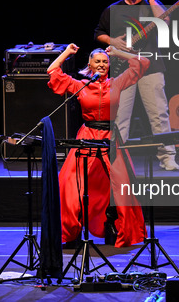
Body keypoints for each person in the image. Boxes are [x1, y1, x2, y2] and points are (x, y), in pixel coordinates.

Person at [47, 43, 149, 247]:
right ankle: (72, 232)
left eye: (105, 62)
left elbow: (142, 62)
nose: (102, 65)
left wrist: (118, 52)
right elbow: (52, 72)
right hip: (87, 135)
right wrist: (67, 52)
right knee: (70, 184)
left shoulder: (117, 83)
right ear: (90, 65)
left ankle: (117, 229)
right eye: (98, 62)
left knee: (120, 187)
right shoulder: (81, 85)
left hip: (111, 138)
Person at [95, 0, 179, 171]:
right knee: (120, 117)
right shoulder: (112, 9)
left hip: (152, 66)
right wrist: (112, 41)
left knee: (159, 114)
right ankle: (116, 160)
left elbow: (165, 21)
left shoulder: (153, 5)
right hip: (123, 69)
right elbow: (98, 33)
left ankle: (168, 157)